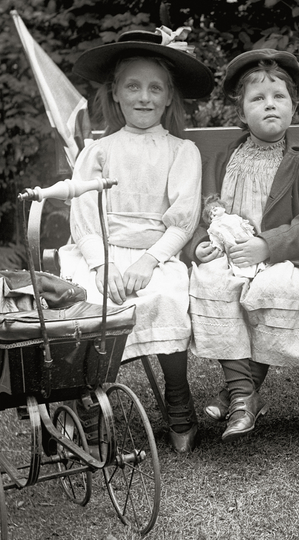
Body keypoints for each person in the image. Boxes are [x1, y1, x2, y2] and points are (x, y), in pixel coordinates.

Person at [60, 26, 213, 453]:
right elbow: (85, 218)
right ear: (115, 94)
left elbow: (182, 221)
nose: (144, 97)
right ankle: (88, 402)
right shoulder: (98, 152)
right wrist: (103, 264)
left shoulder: (181, 151)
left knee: (165, 296)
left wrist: (149, 261)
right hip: (101, 253)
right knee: (90, 304)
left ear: (168, 97)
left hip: (154, 254)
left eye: (155, 88)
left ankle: (178, 397)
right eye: (133, 87)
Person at [186, 49, 299, 443]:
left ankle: (238, 394)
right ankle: (243, 396)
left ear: (294, 110)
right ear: (241, 113)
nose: (269, 104)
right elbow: (209, 212)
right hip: (232, 254)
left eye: (279, 98)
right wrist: (203, 244)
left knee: (272, 289)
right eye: (257, 98)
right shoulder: (225, 159)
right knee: (211, 279)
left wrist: (266, 246)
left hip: (284, 256)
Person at [200, 194, 266, 278]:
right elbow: (215, 239)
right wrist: (217, 248)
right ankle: (244, 276)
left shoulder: (233, 217)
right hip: (231, 246)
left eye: (215, 209)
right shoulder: (213, 227)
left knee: (253, 257)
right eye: (210, 214)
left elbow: (242, 224)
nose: (213, 213)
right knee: (239, 261)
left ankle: (258, 269)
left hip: (246, 240)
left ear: (223, 208)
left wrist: (249, 230)